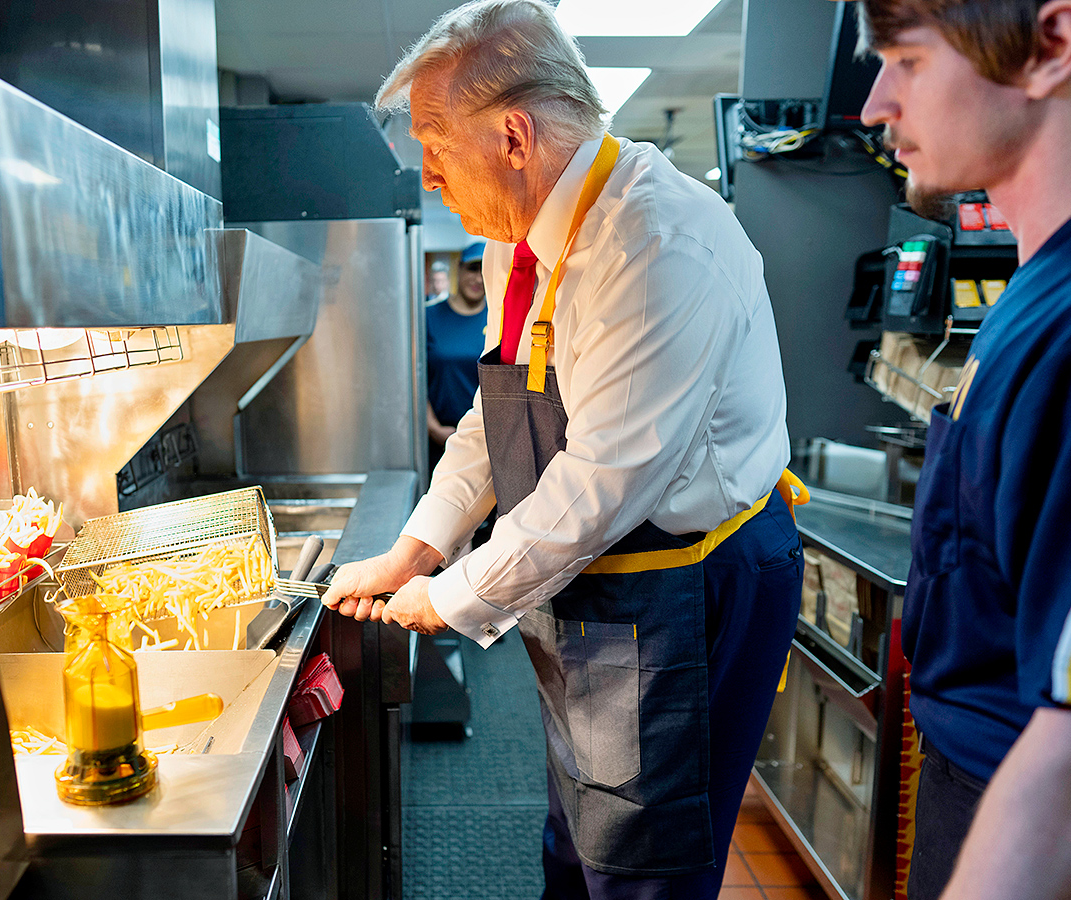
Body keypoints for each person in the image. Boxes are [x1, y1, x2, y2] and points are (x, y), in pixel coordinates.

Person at [323, 1, 805, 896]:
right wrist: (416, 550)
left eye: (434, 143)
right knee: (580, 831)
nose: (427, 178)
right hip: (589, 576)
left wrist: (452, 596)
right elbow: (493, 414)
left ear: (513, 133)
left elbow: (602, 484)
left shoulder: (659, 247)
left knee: (641, 862)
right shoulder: (526, 236)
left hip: (680, 587)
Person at [858, 0, 1071, 897]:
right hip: (972, 782)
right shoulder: (1040, 289)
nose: (874, 104)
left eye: (908, 61)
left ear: (1052, 45)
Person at [426, 240, 488, 471]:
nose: (479, 279)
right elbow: (414, 379)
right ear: (458, 270)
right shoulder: (429, 317)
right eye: (473, 269)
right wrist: (433, 429)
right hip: (440, 437)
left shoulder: (499, 320)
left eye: (484, 271)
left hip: (486, 439)